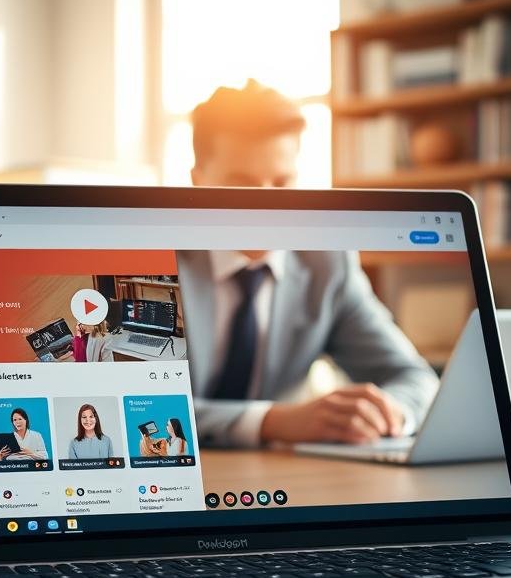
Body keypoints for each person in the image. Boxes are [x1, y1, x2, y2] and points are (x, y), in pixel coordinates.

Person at [180, 79, 439, 449]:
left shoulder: (328, 266)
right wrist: (274, 422)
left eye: (283, 183)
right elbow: (132, 403)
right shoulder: (151, 259)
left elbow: (415, 378)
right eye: (242, 184)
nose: (267, 204)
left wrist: (389, 413)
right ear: (197, 181)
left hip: (275, 474)